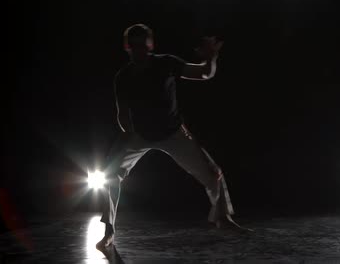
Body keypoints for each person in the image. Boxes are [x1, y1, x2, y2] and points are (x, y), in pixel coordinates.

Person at [96, 23, 247, 250]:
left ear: (151, 45)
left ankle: (223, 218)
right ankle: (109, 231)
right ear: (127, 47)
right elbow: (122, 115)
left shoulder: (166, 63)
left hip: (172, 132)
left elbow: (204, 73)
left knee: (213, 172)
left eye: (143, 45)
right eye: (134, 46)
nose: (139, 50)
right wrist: (130, 135)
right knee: (109, 176)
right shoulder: (123, 77)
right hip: (140, 135)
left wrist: (210, 58)